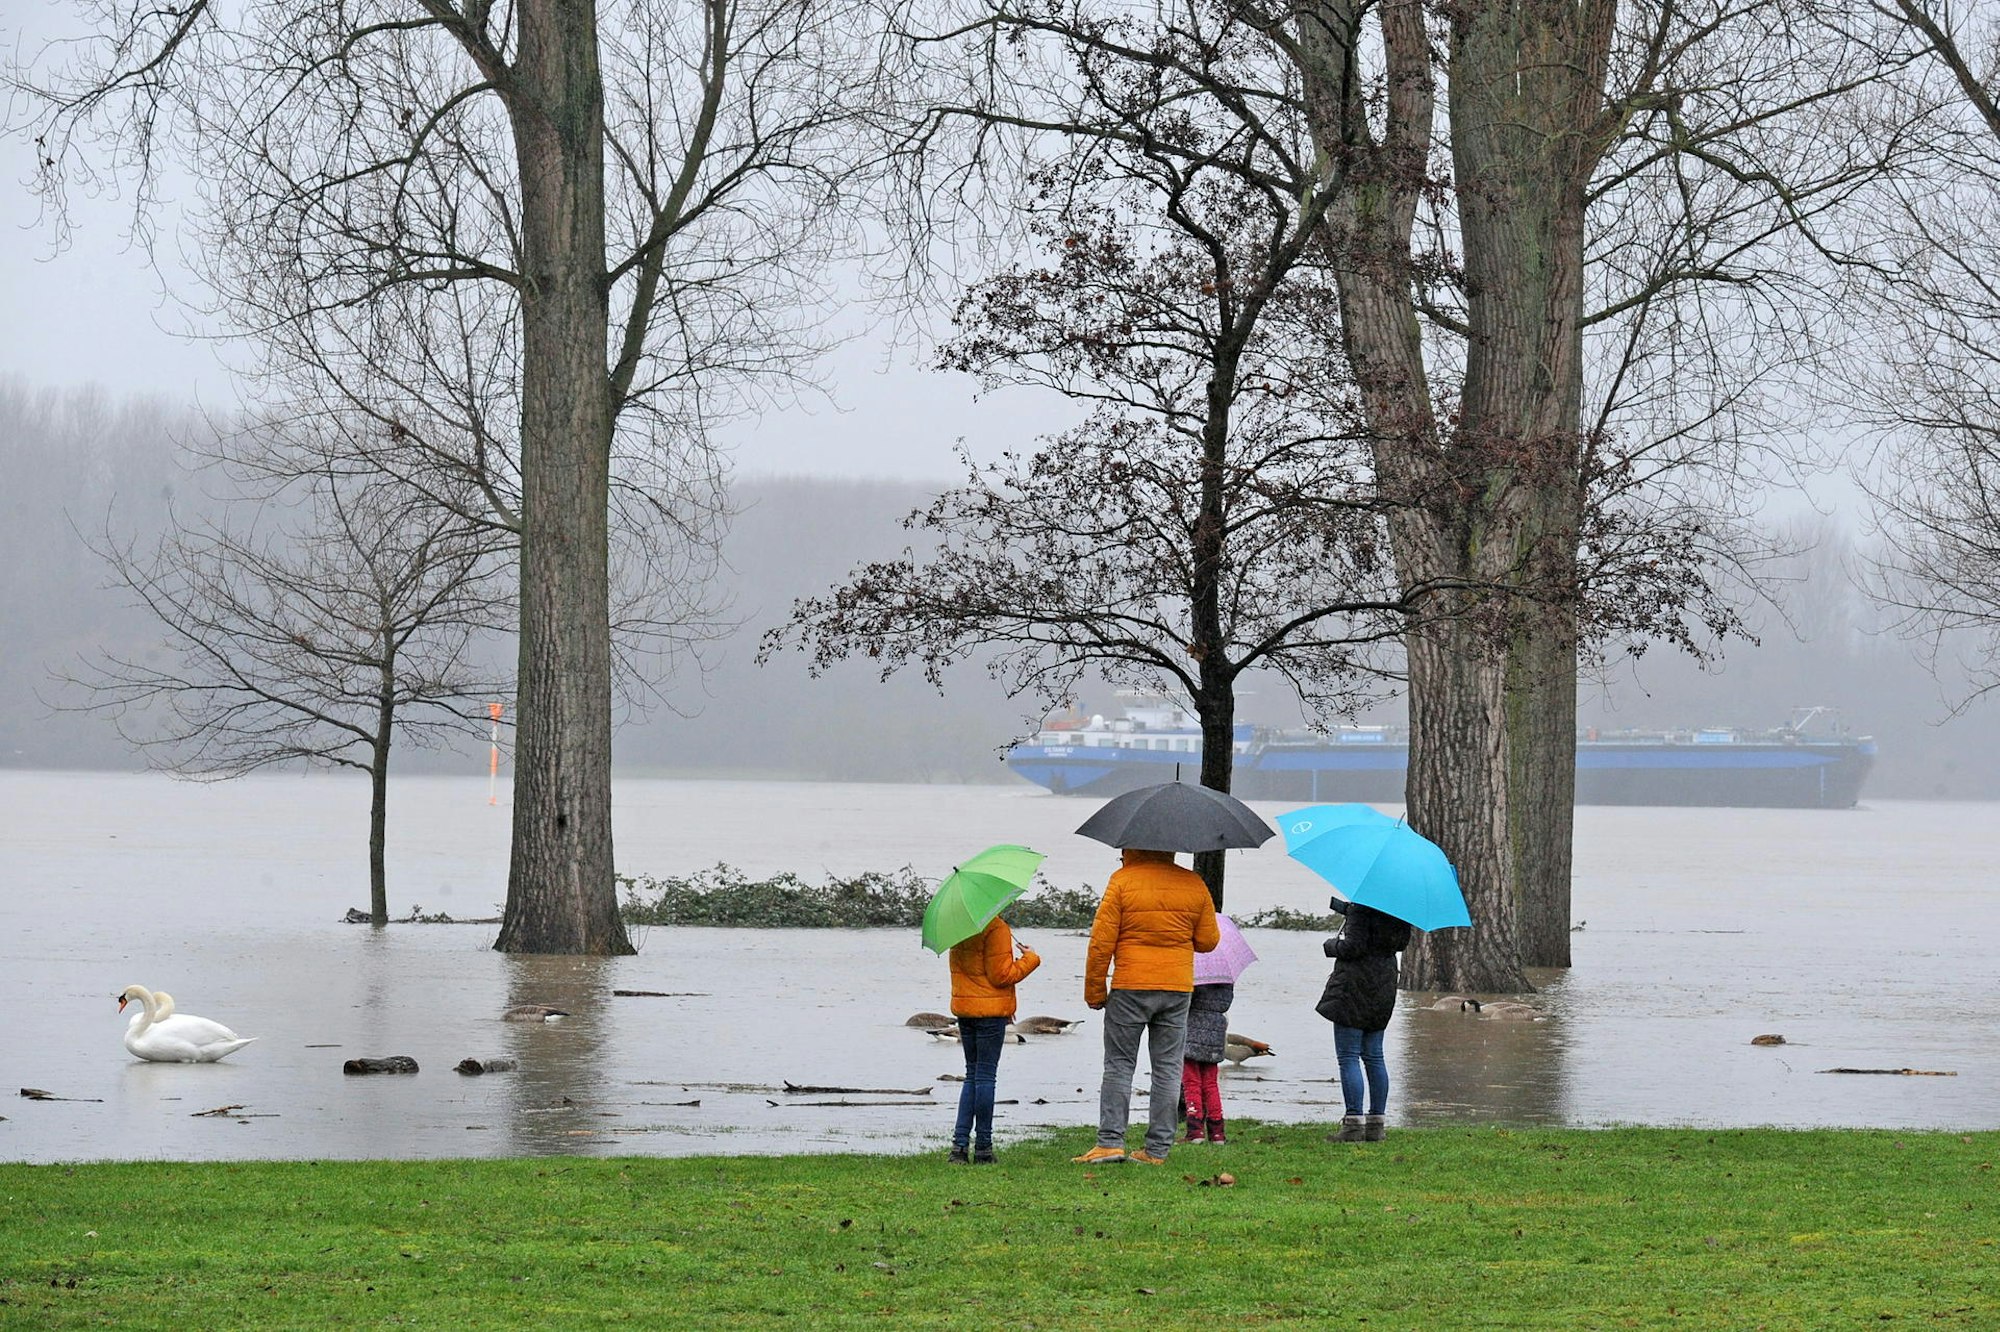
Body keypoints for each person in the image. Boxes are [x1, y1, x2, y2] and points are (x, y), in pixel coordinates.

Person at [1073, 847, 1220, 1166]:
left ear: (1132, 847)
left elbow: (1101, 943)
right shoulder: (1194, 883)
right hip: (1176, 987)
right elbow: (1208, 941)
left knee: (1119, 1064)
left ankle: (1110, 1142)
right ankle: (1157, 1150)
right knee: (1168, 1068)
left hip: (1130, 985)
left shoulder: (1122, 881)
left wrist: (1095, 991)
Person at [1315, 897, 1413, 1143]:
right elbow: (1400, 943)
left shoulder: (1362, 906)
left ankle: (1353, 1124)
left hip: (1354, 984)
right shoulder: (1400, 907)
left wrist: (1332, 946)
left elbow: (1353, 947)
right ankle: (1376, 1124)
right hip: (1384, 982)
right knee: (1374, 1056)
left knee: (1348, 1056)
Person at [946, 913, 1040, 1164]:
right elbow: (1001, 976)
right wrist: (1030, 959)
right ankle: (984, 1149)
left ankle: (959, 1147)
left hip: (965, 1011)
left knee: (972, 1075)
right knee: (986, 1077)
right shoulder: (996, 927)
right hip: (990, 1015)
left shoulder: (958, 925)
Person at [1180, 980, 1233, 1144]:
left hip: (1192, 1032)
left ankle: (1195, 1131)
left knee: (1191, 1083)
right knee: (1211, 1084)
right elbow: (1225, 1003)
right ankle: (1217, 1133)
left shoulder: (1196, 977)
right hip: (1216, 1034)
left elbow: (1185, 1002)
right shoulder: (1226, 979)